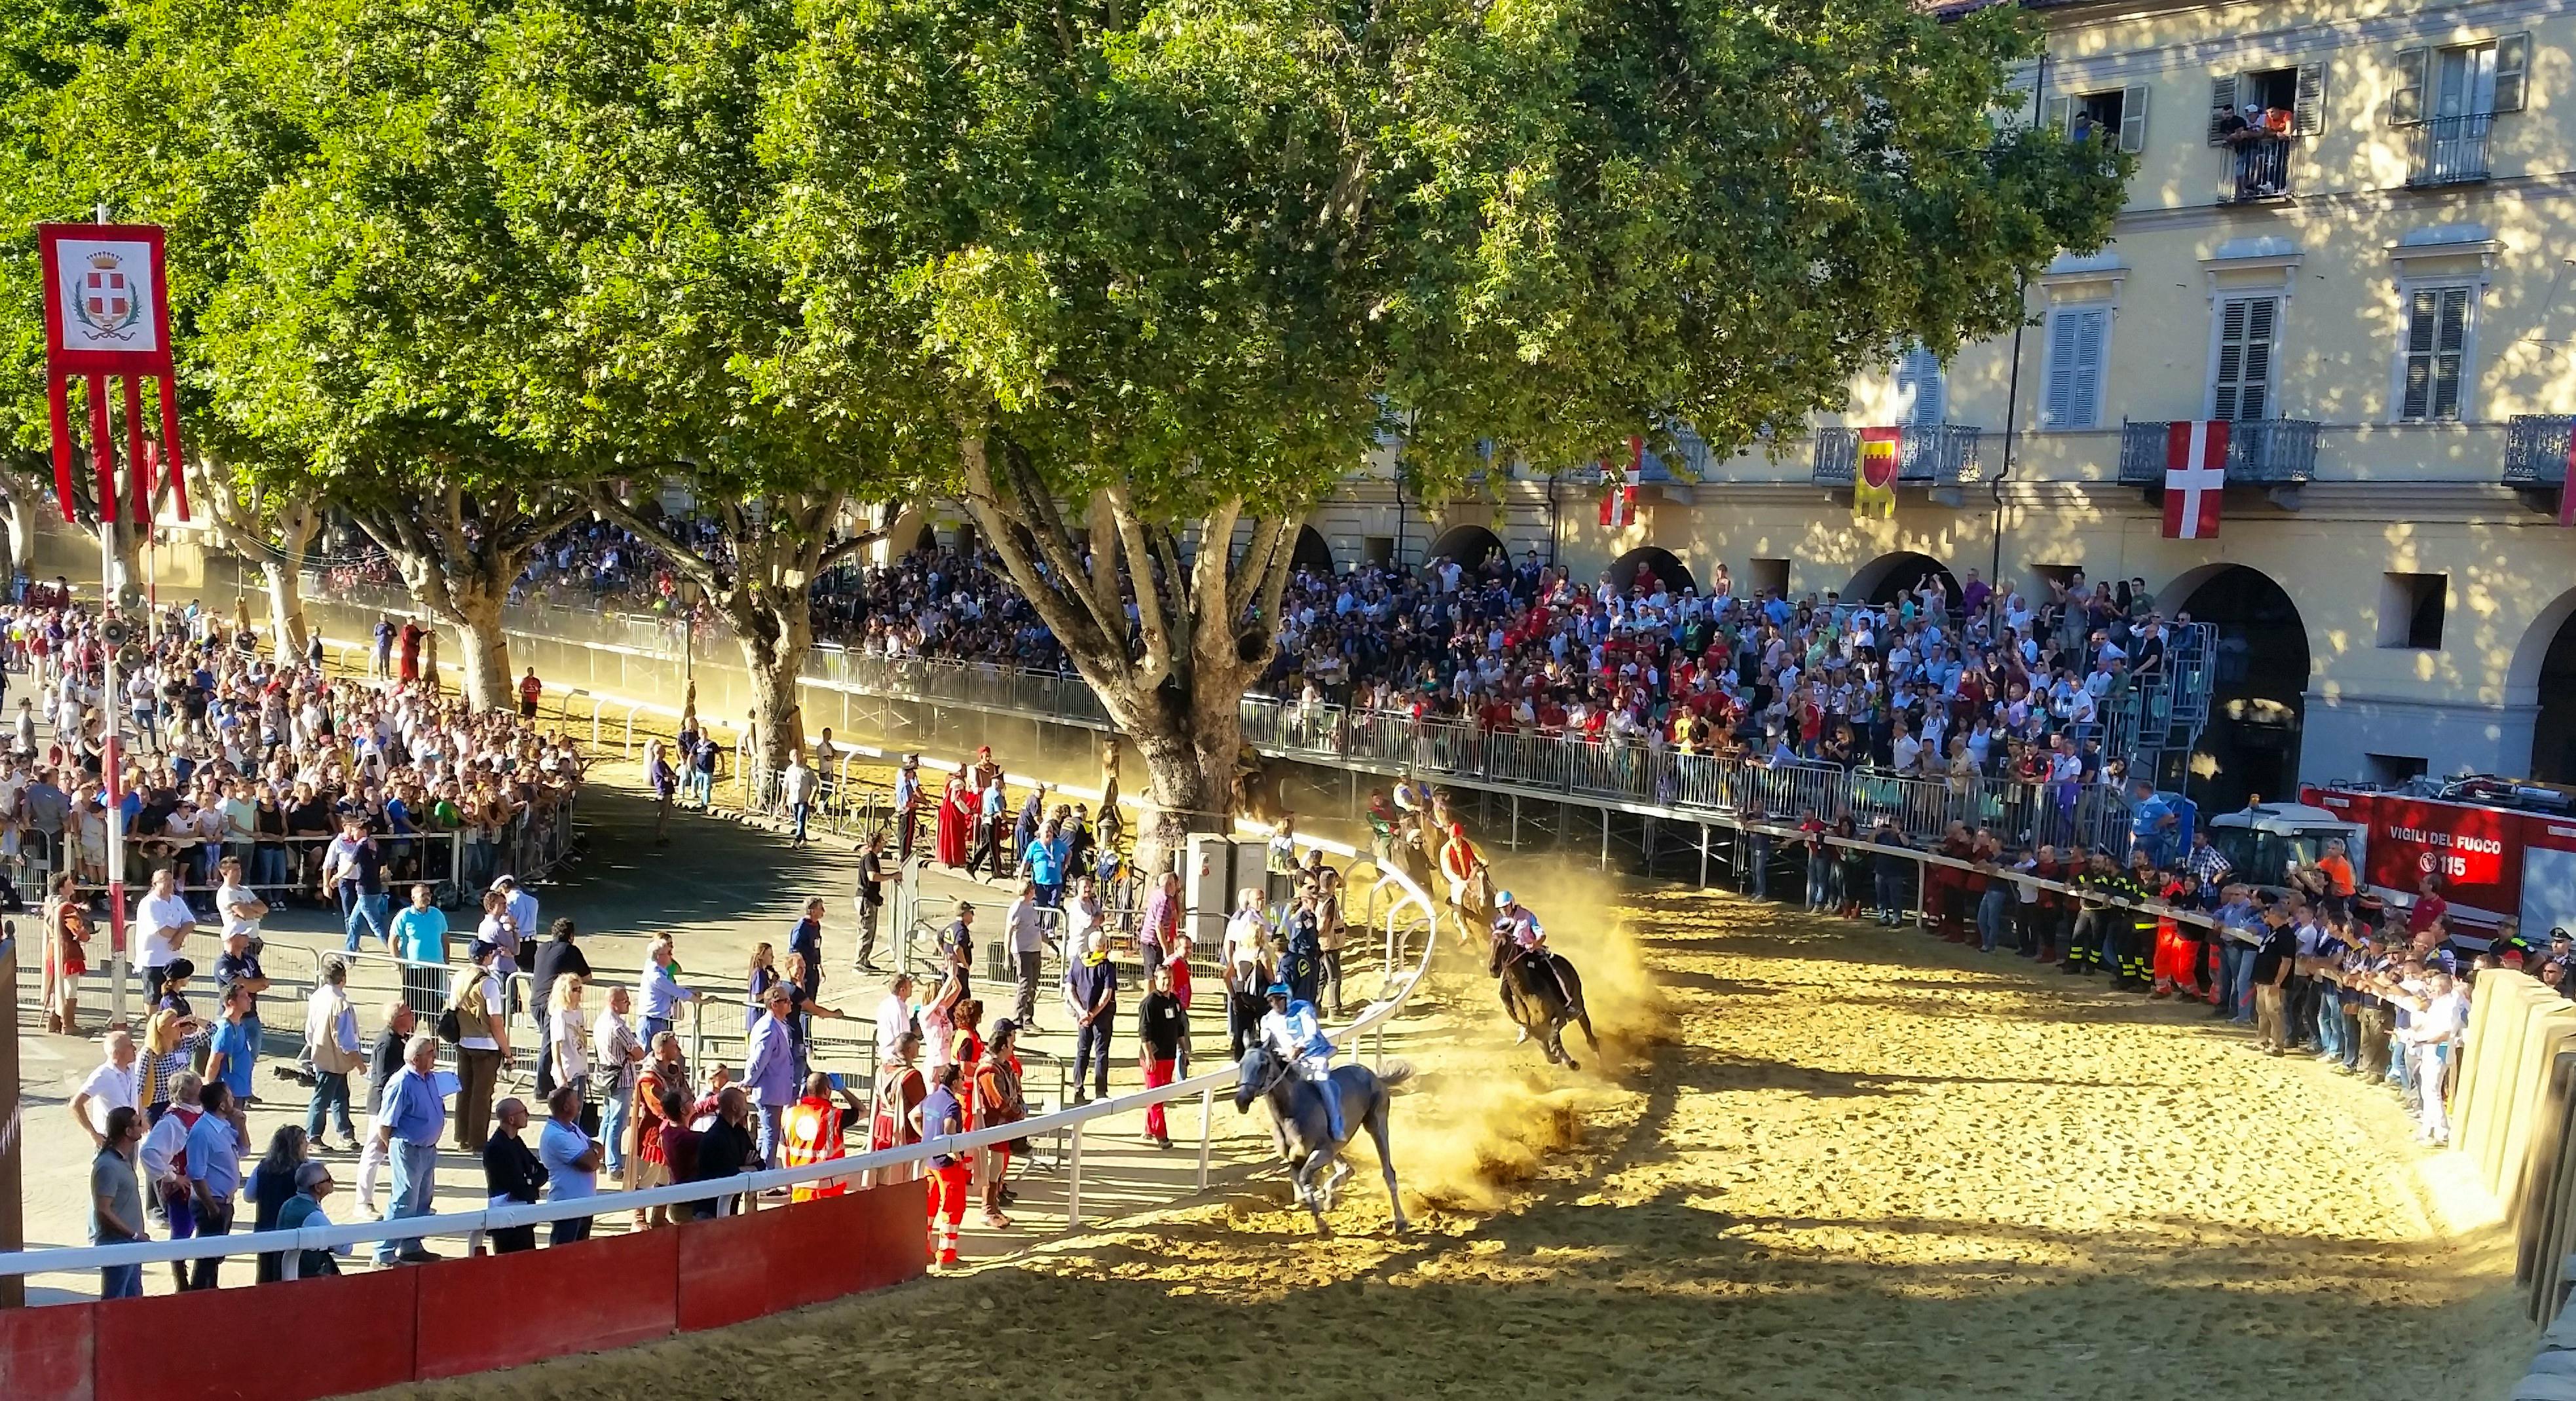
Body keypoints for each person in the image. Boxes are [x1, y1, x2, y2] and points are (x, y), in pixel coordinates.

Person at [371, 1033, 447, 1267]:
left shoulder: (429, 1078)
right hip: (408, 1149)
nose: (435, 1057)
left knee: (423, 1200)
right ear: (416, 1058)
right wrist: (393, 1150)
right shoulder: (401, 1082)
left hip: (427, 1149)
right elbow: (385, 1124)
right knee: (404, 1200)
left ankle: (411, 1245)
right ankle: (383, 1253)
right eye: (430, 1053)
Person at [184, 1080, 249, 1290]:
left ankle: (208, 1294)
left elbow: (244, 1150)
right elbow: (196, 1174)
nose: (234, 1100)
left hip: (225, 1203)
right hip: (211, 1204)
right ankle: (200, 1298)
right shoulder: (202, 1132)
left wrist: (241, 1124)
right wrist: (211, 1208)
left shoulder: (225, 1125)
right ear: (222, 1104)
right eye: (230, 1097)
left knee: (215, 1258)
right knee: (207, 1260)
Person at [1258, 981, 1341, 1142]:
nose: (1275, 1003)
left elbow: (1311, 1032)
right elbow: (1266, 1043)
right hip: (1288, 1060)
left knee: (1322, 1082)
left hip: (1314, 1055)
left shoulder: (1303, 1008)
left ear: (1287, 998)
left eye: (1278, 999)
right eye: (1271, 1000)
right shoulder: (1267, 1020)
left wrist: (1300, 1047)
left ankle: (1336, 1125)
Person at [449, 940, 510, 1152]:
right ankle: (477, 1140)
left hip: (463, 1040)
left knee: (464, 1091)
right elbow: (496, 1022)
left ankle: (462, 1137)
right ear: (486, 957)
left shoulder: (459, 976)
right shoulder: (489, 983)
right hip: (485, 1044)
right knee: (482, 1095)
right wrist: (507, 1052)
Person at [303, 958, 364, 1153]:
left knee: (339, 1095)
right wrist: (358, 1062)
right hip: (335, 1058)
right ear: (343, 978)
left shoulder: (317, 996)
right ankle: (313, 1136)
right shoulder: (342, 1004)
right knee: (325, 1098)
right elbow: (346, 1040)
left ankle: (345, 1132)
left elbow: (310, 1029)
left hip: (321, 1053)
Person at [779, 1070, 867, 1203]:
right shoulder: (835, 1116)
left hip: (800, 1190)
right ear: (827, 1091)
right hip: (830, 1192)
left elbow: (784, 1148)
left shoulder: (790, 1115)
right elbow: (863, 1111)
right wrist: (843, 1089)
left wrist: (787, 1180)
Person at [531, 916, 592, 1098]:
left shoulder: (542, 948)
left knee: (550, 1043)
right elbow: (587, 975)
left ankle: (547, 1084)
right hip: (553, 1002)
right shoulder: (570, 950)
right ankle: (542, 1089)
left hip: (535, 1000)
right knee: (550, 1045)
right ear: (571, 936)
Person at [975, 1020, 1027, 1229]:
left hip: (1002, 1124)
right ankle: (987, 1209)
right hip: (993, 1124)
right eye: (1010, 1043)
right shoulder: (989, 1069)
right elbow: (999, 1101)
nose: (1012, 1046)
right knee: (993, 1167)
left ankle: (993, 1207)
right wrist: (1017, 1111)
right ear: (1003, 1046)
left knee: (997, 1167)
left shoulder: (1001, 1066)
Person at [92, 1105, 147, 1299]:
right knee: (115, 1302)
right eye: (139, 1124)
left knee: (132, 1301)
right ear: (128, 1131)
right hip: (117, 1245)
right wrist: (133, 1234)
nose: (143, 1127)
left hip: (130, 1244)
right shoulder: (107, 1165)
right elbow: (104, 1211)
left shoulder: (122, 1160)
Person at [745, 981, 802, 1167]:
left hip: (774, 1089)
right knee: (771, 1134)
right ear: (775, 1004)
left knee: (767, 1133)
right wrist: (748, 1082)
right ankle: (767, 1176)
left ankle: (760, 1168)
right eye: (786, 1001)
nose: (790, 1004)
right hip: (770, 1091)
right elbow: (759, 1060)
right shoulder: (768, 1028)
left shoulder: (779, 1024)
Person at [593, 984, 645, 1183]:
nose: (629, 1004)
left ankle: (603, 1159)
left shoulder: (600, 1022)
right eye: (625, 1001)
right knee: (618, 1122)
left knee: (607, 1119)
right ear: (613, 1003)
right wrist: (634, 1053)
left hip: (607, 1075)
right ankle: (614, 1165)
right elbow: (638, 1053)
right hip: (621, 1079)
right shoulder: (618, 1027)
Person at [918, 1062, 969, 1267]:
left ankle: (924, 1252)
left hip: (929, 1162)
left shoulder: (932, 1098)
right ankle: (946, 1257)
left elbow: (915, 1115)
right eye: (962, 1078)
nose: (964, 1082)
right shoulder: (952, 1104)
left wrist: (927, 1139)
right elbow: (949, 1128)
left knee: (930, 1207)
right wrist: (956, 1153)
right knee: (952, 1208)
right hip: (947, 1165)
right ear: (955, 1082)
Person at [483, 1097, 550, 1254]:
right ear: (511, 1119)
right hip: (506, 1221)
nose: (528, 1115)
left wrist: (529, 1182)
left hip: (523, 1216)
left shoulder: (516, 1141)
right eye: (524, 1112)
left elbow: (542, 1171)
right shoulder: (496, 1148)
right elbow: (516, 1186)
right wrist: (531, 1183)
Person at [538, 1083, 603, 1244]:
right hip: (567, 1206)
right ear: (566, 1107)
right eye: (576, 1101)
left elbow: (597, 1146)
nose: (579, 1104)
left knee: (579, 1254)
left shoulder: (571, 1127)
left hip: (584, 1204)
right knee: (562, 1255)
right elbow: (589, 1165)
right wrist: (593, 1155)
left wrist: (593, 1153)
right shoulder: (556, 1136)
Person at [248, 1123, 310, 1283]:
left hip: (265, 1230)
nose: (308, 1145)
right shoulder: (303, 1170)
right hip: (292, 1231)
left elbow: (248, 1196)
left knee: (266, 1277)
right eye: (304, 1142)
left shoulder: (262, 1167)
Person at [319, 816, 390, 953]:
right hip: (373, 888)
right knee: (353, 922)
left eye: (356, 830)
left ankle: (397, 955)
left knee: (376, 925)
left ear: (363, 831)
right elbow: (385, 869)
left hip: (365, 890)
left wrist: (335, 877)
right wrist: (373, 875)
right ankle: (349, 954)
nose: (353, 833)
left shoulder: (360, 845)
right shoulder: (374, 844)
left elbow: (350, 866)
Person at [688, 1085, 758, 1219]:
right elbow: (728, 1175)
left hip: (729, 1209)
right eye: (744, 1103)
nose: (747, 1107)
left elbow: (760, 1164)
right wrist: (747, 1167)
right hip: (709, 1212)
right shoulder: (715, 1138)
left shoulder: (740, 1133)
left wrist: (740, 1168)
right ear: (735, 1107)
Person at [1138, 963, 1185, 1149]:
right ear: (1156, 980)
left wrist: (1184, 1051)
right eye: (1163, 979)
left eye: (1170, 978)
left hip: (1169, 1056)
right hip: (1154, 1057)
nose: (1167, 982)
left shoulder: (1174, 1001)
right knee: (1156, 1096)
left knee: (1159, 1095)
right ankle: (1161, 1135)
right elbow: (1144, 1032)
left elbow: (1179, 1028)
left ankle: (1149, 1128)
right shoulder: (1149, 1003)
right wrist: (1149, 1056)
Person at [1068, 929, 1119, 1103]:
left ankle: (1078, 1089)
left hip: (1083, 1017)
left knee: (1082, 1052)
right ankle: (1100, 1093)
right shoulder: (1108, 968)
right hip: (1102, 1017)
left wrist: (1082, 1012)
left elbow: (1070, 990)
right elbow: (1106, 996)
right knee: (1101, 1053)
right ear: (1104, 947)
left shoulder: (1077, 963)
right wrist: (1092, 1014)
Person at [273, 1161, 347, 1279]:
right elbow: (344, 1248)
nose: (332, 1182)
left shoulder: (288, 1204)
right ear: (318, 1188)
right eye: (328, 1179)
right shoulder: (314, 1216)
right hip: (305, 1277)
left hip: (283, 1271)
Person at [136, 865, 196, 1005]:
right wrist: (180, 934)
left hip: (173, 959)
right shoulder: (149, 903)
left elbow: (191, 922)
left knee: (173, 998)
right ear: (154, 884)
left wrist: (179, 937)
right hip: (153, 960)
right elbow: (161, 930)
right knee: (153, 999)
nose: (170, 883)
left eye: (171, 880)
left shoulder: (177, 901)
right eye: (165, 880)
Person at [69, 1029, 139, 1151]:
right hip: (111, 1141)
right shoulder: (103, 1075)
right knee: (110, 1170)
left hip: (131, 1139)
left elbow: (137, 1095)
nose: (135, 1048)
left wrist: (141, 1119)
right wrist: (93, 1134)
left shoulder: (132, 1069)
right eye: (130, 1046)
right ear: (117, 1053)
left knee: (129, 1171)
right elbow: (76, 1105)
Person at [389, 882, 449, 1012]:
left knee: (435, 1009)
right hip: (413, 970)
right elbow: (392, 941)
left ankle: (433, 1032)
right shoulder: (405, 915)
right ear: (413, 898)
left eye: (429, 894)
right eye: (423, 895)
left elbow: (445, 938)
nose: (427, 897)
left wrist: (446, 961)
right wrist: (399, 963)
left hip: (435, 969)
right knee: (411, 1009)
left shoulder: (437, 914)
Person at [1005, 881, 1049, 1030]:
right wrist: (1007, 955)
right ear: (1029, 890)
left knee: (1032, 986)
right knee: (1025, 985)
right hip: (1023, 951)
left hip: (1035, 950)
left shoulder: (1031, 906)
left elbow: (1036, 928)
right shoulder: (1017, 908)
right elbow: (1009, 932)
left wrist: (1049, 942)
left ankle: (1028, 1018)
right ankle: (1017, 1020)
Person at [855, 829, 899, 972]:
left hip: (869, 898)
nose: (884, 845)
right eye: (882, 842)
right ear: (877, 843)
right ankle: (859, 963)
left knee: (870, 930)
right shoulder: (870, 858)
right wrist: (892, 876)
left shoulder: (871, 857)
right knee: (866, 930)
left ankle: (865, 960)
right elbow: (873, 876)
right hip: (865, 899)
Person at [641, 935, 695, 1043]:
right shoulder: (656, 974)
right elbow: (680, 992)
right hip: (655, 1017)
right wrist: (699, 1000)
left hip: (665, 1010)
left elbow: (678, 970)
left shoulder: (656, 966)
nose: (672, 948)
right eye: (668, 946)